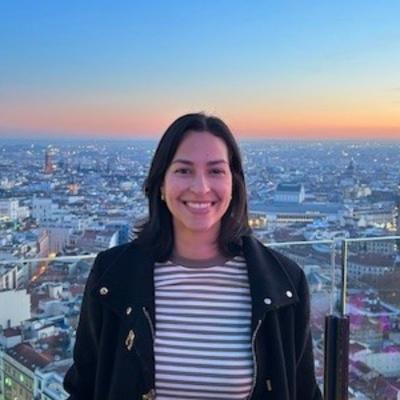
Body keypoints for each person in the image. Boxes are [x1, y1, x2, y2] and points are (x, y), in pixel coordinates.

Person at [64, 113, 323, 400]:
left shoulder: (283, 282)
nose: (201, 188)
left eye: (216, 171)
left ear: (234, 184)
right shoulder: (113, 275)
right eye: (184, 170)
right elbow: (84, 389)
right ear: (161, 184)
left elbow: (303, 392)